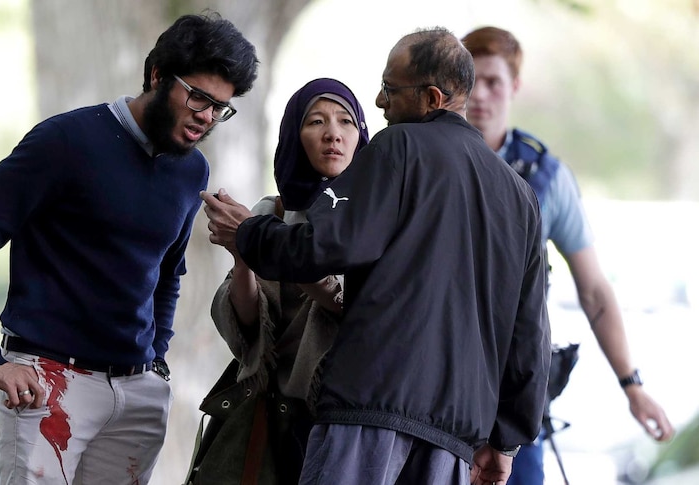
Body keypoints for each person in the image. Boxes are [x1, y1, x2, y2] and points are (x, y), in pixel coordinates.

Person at [202, 27, 550, 485]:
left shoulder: (397, 147)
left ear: (430, 97)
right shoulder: (521, 197)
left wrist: (248, 232)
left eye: (389, 88)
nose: (379, 103)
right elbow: (530, 336)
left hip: (366, 416)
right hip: (453, 442)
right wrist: (506, 440)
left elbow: (324, 248)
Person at [0, 12, 258, 485]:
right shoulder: (65, 140)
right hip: (47, 383)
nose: (206, 117)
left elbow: (168, 273)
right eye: (198, 97)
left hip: (137, 393)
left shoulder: (192, 171)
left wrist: (158, 359)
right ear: (156, 75)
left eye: (220, 107)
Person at [462, 26, 675, 485]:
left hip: (515, 405)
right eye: (470, 79)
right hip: (436, 392)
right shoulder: (426, 158)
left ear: (514, 86)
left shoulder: (546, 177)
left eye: (494, 81)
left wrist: (631, 386)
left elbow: (595, 291)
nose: (480, 94)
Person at [209, 77, 369, 482]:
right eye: (315, 121)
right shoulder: (271, 215)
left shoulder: (373, 221)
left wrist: (288, 253)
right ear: (295, 135)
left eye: (346, 121)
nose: (332, 133)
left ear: (361, 136)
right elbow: (248, 329)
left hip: (342, 416)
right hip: (272, 414)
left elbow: (364, 309)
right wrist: (243, 256)